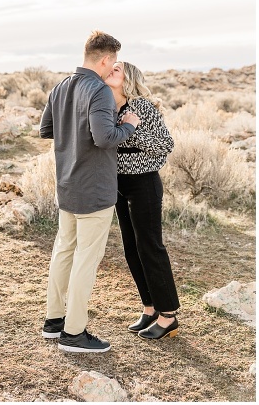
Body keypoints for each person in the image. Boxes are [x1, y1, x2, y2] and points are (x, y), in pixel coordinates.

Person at [39, 30, 140, 353]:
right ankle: (73, 333)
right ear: (106, 59)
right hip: (94, 189)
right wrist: (129, 125)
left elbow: (47, 130)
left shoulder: (61, 86)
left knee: (64, 251)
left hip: (67, 185)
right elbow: (104, 138)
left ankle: (54, 321)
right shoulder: (98, 91)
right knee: (86, 259)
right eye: (113, 62)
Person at [104, 61, 179, 339]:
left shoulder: (143, 107)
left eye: (118, 68)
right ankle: (149, 308)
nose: (111, 69)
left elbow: (165, 144)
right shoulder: (108, 108)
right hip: (119, 185)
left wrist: (133, 128)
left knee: (150, 246)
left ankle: (168, 315)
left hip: (144, 182)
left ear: (129, 78)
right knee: (130, 248)